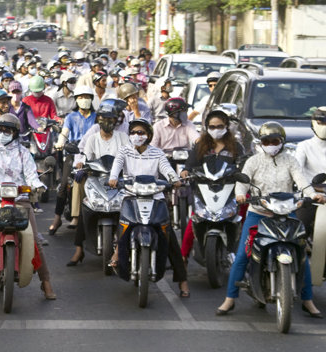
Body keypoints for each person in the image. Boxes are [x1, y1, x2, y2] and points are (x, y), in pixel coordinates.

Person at [216, 122, 326, 316]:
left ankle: (307, 300)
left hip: (286, 213)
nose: (271, 144)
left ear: (282, 142)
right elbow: (243, 182)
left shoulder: (290, 161)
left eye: (275, 141)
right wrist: (241, 194)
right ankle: (230, 299)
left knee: (301, 255)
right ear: (261, 142)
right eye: (266, 141)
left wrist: (312, 194)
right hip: (258, 213)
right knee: (242, 256)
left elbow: (302, 182)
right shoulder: (253, 161)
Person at [0, 114, 56, 300]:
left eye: (7, 130)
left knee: (35, 239)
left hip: (20, 199)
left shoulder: (23, 152)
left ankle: (46, 282)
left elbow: (31, 174)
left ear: (15, 132)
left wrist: (38, 185)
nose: (3, 133)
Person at [108, 119, 190, 297]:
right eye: (134, 132)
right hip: (131, 195)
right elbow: (116, 166)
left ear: (149, 136)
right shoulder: (124, 151)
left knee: (169, 239)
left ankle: (183, 281)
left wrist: (174, 179)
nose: (137, 136)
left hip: (155, 197)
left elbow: (166, 169)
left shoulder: (158, 153)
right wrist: (113, 178)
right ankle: (117, 251)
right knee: (122, 225)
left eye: (141, 132)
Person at [67, 102, 130, 265]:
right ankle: (79, 249)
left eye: (110, 118)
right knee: (85, 207)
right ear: (99, 119)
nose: (107, 121)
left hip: (119, 179)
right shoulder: (93, 137)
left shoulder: (123, 137)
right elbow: (84, 154)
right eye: (103, 118)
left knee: (129, 209)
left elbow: (129, 156)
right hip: (96, 177)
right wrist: (81, 164)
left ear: (116, 119)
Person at [179, 110, 244, 260]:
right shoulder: (201, 146)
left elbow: (244, 165)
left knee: (244, 211)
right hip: (204, 189)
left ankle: (243, 251)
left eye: (220, 126)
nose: (216, 130)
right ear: (207, 127)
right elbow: (190, 165)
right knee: (195, 219)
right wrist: (186, 172)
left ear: (226, 126)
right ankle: (183, 256)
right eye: (212, 127)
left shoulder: (236, 146)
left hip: (230, 189)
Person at [51, 86, 97, 232]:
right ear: (76, 99)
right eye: (81, 97)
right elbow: (65, 133)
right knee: (64, 184)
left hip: (94, 153)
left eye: (87, 97)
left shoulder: (97, 117)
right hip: (74, 150)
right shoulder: (71, 117)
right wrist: (60, 143)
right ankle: (57, 218)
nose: (84, 100)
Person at [295, 107, 326, 237]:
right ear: (314, 123)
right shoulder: (304, 146)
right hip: (311, 196)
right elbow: (297, 170)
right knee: (298, 230)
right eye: (321, 122)